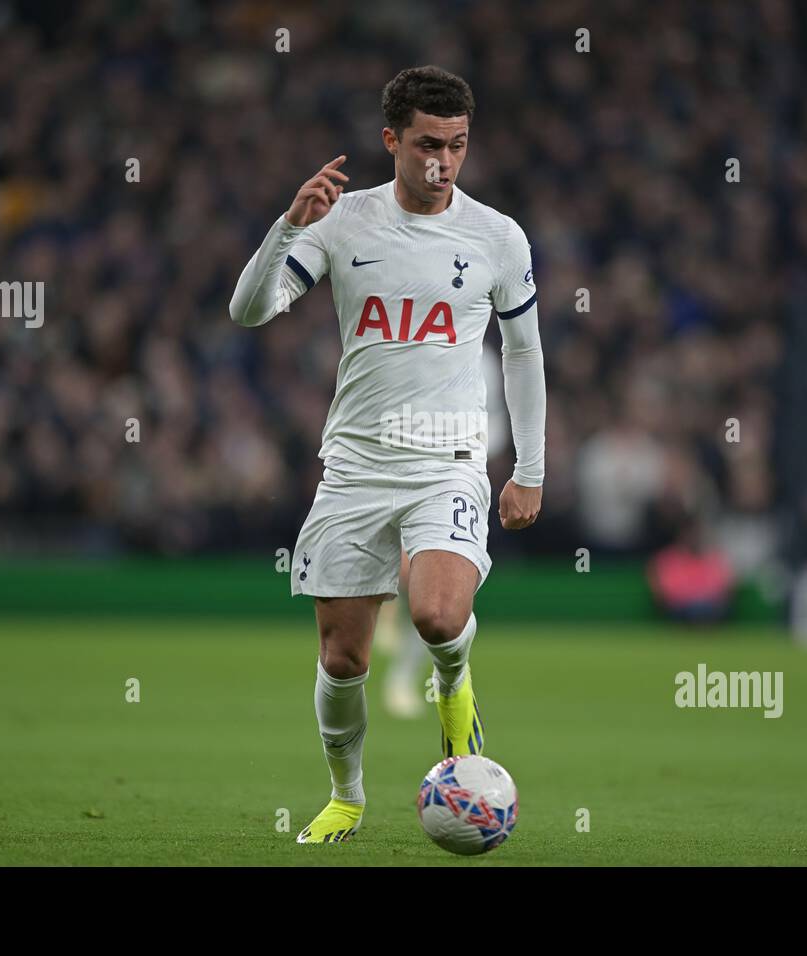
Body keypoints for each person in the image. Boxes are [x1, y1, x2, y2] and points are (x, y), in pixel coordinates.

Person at [229, 65, 546, 844]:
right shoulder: (344, 223)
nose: (442, 163)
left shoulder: (497, 236)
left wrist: (529, 468)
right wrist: (287, 227)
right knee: (343, 659)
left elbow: (524, 352)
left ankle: (454, 683)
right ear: (391, 140)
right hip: (356, 468)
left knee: (439, 615)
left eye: (458, 146)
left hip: (447, 463)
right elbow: (249, 312)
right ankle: (347, 795)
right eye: (427, 145)